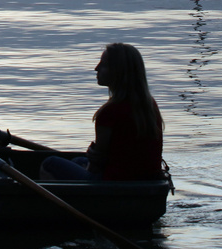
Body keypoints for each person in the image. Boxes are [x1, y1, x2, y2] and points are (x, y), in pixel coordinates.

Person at [39, 43, 164, 181]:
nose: (96, 68)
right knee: (77, 161)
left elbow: (95, 166)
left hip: (113, 184)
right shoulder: (149, 105)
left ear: (117, 71)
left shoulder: (109, 112)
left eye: (103, 65)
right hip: (146, 180)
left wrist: (94, 156)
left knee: (50, 163)